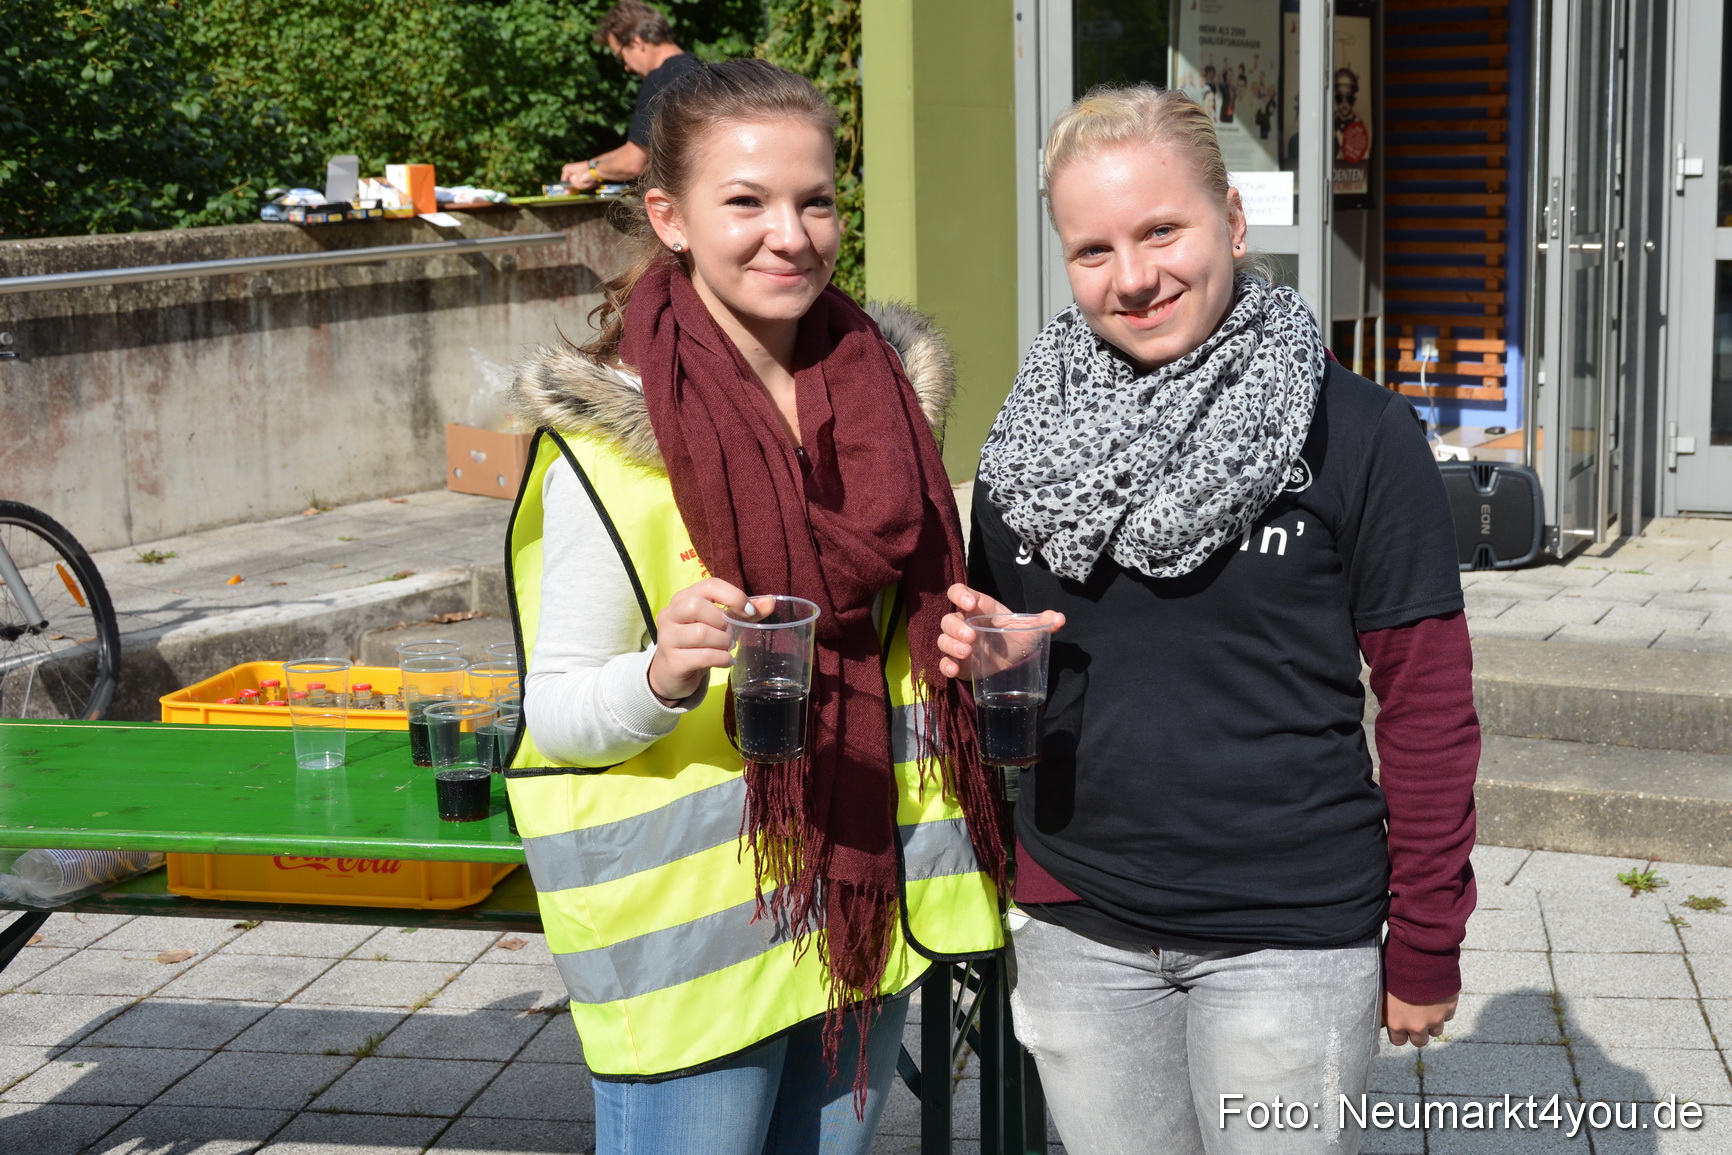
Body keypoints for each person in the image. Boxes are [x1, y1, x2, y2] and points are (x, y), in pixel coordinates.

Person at [938, 86, 1479, 1155]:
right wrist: (977, 665)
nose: (1132, 278)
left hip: (1289, 936)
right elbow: (1011, 670)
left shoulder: (1358, 433)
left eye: (1160, 231)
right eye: (1091, 250)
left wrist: (1425, 940)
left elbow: (1427, 708)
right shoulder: (1027, 445)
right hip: (1077, 920)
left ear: (1230, 222)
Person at [506, 58, 1006, 1155]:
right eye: (746, 201)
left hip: (863, 910)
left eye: (814, 199)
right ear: (669, 218)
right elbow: (557, 716)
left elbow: (903, 649)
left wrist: (957, 644)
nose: (790, 233)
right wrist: (662, 673)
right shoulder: (606, 453)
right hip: (696, 949)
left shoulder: (887, 408)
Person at [559, 1, 702, 192]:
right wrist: (589, 165)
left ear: (636, 42)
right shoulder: (699, 69)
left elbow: (633, 162)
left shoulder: (660, 79)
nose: (626, 67)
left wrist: (593, 172)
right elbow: (640, 147)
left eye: (621, 56)